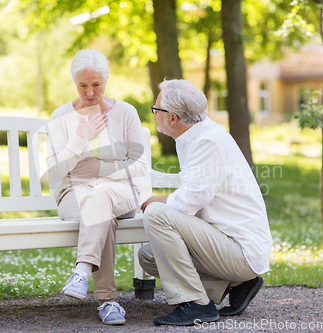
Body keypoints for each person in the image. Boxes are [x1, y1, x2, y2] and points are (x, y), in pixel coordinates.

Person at [139, 79, 272, 326]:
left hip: (239, 250)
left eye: (156, 109)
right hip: (227, 243)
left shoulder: (207, 141)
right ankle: (238, 284)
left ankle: (197, 304)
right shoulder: (196, 136)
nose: (154, 113)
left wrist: (160, 200)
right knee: (148, 256)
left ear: (172, 118)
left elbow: (191, 201)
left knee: (157, 213)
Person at [46, 49, 149, 325]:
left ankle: (81, 271)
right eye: (83, 86)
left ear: (106, 80)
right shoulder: (61, 116)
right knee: (102, 212)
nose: (90, 92)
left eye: (96, 85)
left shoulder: (126, 113)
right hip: (74, 194)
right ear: (74, 82)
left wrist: (100, 169)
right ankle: (107, 301)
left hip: (120, 193)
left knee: (102, 194)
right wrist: (80, 139)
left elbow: (140, 167)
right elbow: (55, 173)